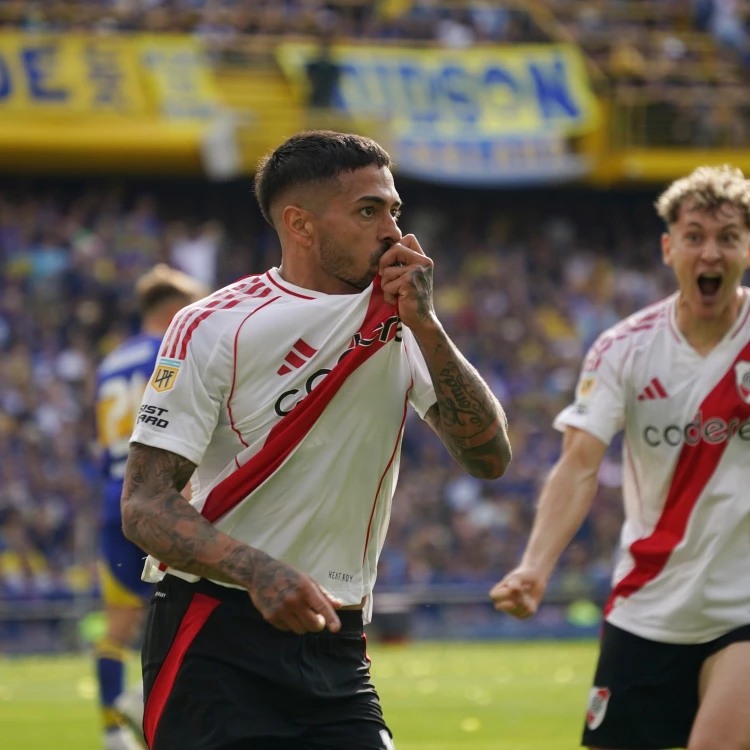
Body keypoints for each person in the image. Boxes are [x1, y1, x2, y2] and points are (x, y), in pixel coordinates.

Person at [120, 130, 511, 750]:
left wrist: (428, 326)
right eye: (367, 210)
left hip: (336, 638)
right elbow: (144, 505)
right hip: (216, 630)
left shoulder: (404, 319)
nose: (393, 230)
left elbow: (490, 457)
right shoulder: (215, 324)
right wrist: (259, 572)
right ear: (300, 224)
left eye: (394, 209)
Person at [490, 164, 750, 750]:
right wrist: (535, 565)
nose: (711, 252)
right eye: (695, 236)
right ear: (669, 248)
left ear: (747, 248)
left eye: (728, 237)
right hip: (647, 604)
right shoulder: (623, 349)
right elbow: (578, 465)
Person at [94, 265, 207, 750]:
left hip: (113, 499)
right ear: (172, 311)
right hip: (161, 495)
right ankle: (148, 703)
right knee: (201, 608)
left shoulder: (110, 362)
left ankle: (111, 735)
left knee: (116, 627)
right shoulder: (176, 347)